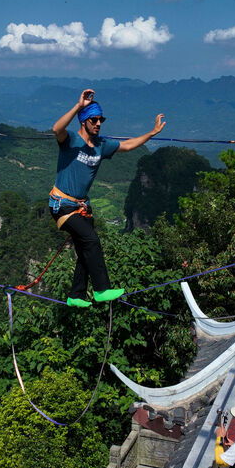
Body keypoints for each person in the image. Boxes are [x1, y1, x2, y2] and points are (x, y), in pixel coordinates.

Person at [49, 89, 164, 307]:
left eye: (101, 120)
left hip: (82, 207)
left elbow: (128, 145)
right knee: (91, 241)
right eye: (94, 119)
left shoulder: (101, 145)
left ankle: (76, 295)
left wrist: (152, 132)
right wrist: (78, 106)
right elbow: (57, 128)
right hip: (61, 205)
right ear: (84, 121)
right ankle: (101, 289)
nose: (98, 123)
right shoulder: (70, 141)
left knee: (85, 250)